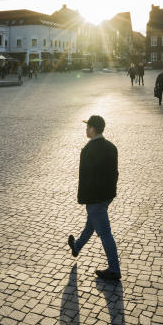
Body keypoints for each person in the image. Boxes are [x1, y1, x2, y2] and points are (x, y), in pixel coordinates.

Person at [68, 115, 121, 281]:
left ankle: (114, 269)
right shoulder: (112, 147)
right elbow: (115, 173)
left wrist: (83, 200)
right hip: (107, 196)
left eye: (87, 126)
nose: (86, 129)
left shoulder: (88, 150)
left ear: (93, 129)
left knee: (105, 233)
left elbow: (85, 178)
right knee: (90, 225)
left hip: (95, 198)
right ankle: (76, 247)